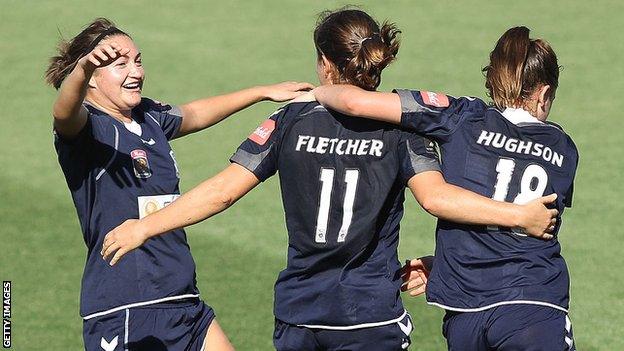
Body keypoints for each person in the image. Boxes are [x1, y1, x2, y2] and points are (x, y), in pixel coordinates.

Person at [101, 12, 556, 351]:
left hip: (301, 314)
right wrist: (517, 217)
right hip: (369, 317)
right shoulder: (402, 132)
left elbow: (221, 192)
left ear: (324, 62)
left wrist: (145, 226)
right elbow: (437, 198)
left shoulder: (289, 120)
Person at [46, 18, 312, 351]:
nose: (137, 72)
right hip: (128, 308)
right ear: (93, 80)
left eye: (138, 60)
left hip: (183, 299)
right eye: (120, 64)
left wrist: (262, 93)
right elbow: (63, 112)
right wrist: (82, 70)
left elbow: (194, 113)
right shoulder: (89, 129)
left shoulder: (147, 116)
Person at [311, 26, 578, 350]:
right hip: (535, 306)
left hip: (466, 311)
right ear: (544, 93)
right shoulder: (563, 148)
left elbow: (352, 102)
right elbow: (519, 231)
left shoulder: (461, 116)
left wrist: (315, 93)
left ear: (492, 80)